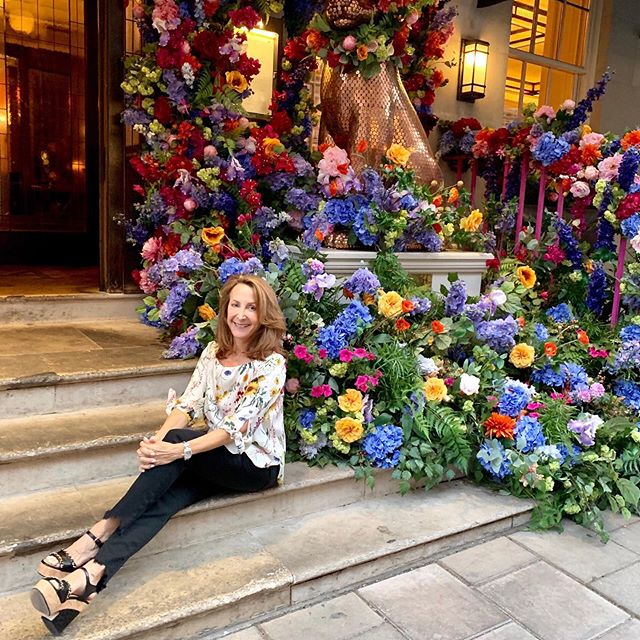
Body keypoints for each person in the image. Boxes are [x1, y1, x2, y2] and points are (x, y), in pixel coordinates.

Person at [30, 275, 287, 635]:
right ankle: (88, 579)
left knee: (180, 442)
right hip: (208, 456)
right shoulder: (214, 353)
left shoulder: (271, 365)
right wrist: (157, 446)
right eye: (235, 305)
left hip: (254, 464)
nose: (241, 315)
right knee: (164, 501)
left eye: (252, 307)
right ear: (225, 308)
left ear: (264, 316)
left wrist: (176, 448)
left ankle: (98, 533)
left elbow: (232, 430)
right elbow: (187, 404)